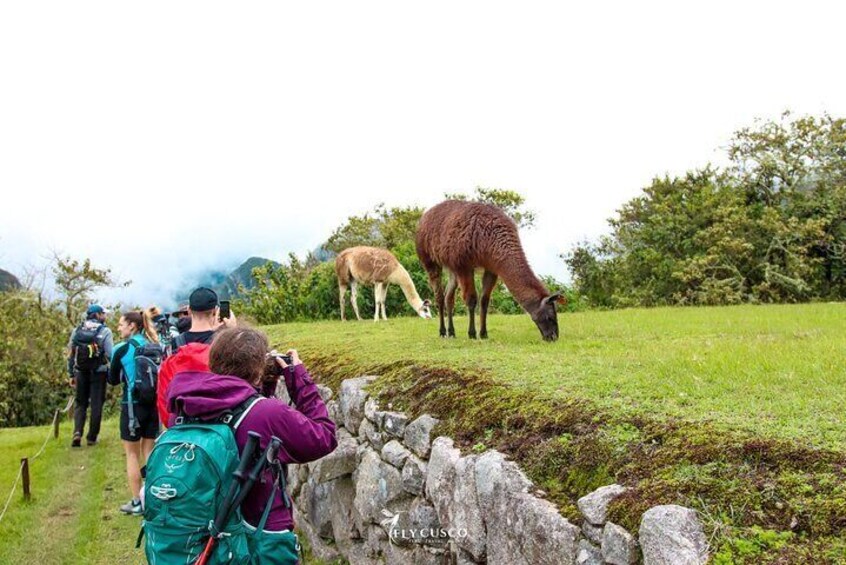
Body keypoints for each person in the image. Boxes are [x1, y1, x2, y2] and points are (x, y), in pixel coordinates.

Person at [165, 327, 337, 561]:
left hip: (203, 534)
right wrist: (299, 380)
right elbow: (324, 437)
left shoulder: (185, 407)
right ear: (258, 369)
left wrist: (262, 386)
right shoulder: (266, 414)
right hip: (259, 539)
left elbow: (237, 412)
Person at [156, 288, 235, 426]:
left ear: (189, 310)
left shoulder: (174, 345)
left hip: (179, 424)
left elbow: (163, 395)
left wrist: (172, 424)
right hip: (216, 424)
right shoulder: (222, 345)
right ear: (216, 311)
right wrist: (233, 332)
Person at [107, 310, 160, 515]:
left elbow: (112, 379)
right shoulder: (155, 345)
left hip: (132, 405)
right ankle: (154, 498)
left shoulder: (121, 349)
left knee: (131, 454)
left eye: (121, 324)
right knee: (150, 452)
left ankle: (137, 501)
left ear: (132, 326)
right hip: (153, 404)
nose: (119, 328)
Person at [67, 304, 113, 448]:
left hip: (80, 371)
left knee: (80, 403)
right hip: (99, 372)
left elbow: (71, 353)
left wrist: (70, 373)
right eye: (103, 314)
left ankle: (77, 432)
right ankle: (92, 437)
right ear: (98, 315)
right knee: (96, 404)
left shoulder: (77, 330)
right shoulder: (105, 331)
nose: (105, 316)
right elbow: (110, 354)